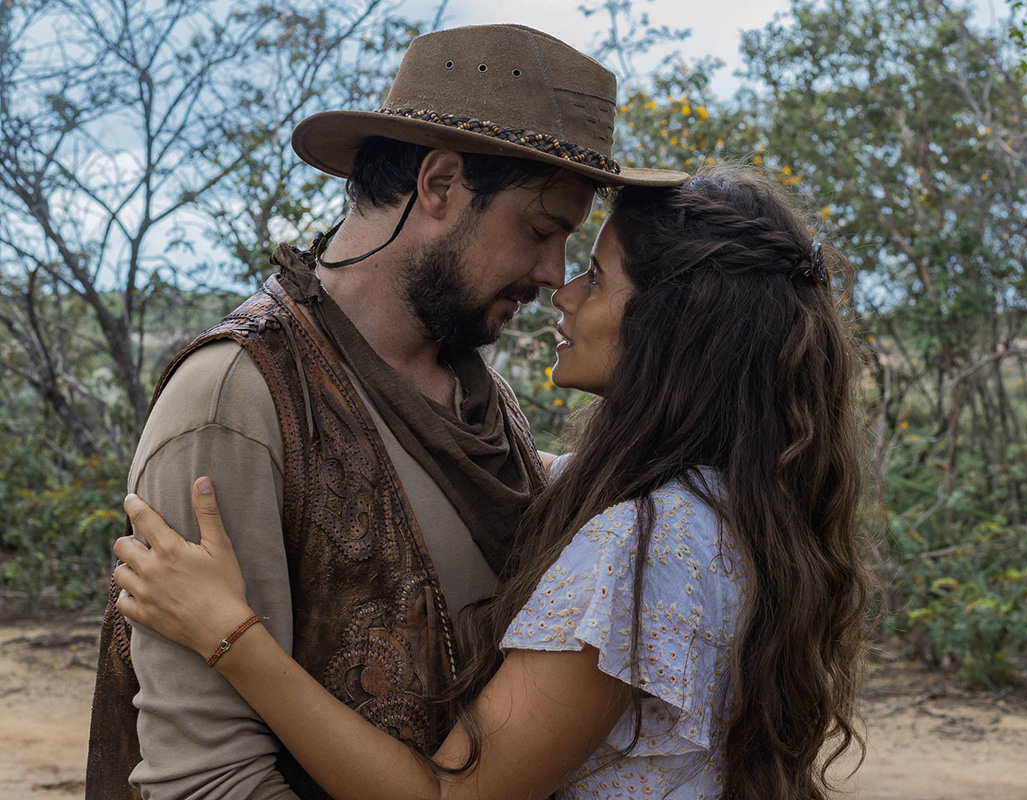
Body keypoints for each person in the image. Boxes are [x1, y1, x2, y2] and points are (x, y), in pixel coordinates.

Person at [112, 165, 871, 800]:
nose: (561, 288)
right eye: (545, 235)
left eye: (595, 276)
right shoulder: (727, 499)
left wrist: (231, 638)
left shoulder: (642, 544)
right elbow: (499, 476)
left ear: (674, 327)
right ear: (434, 185)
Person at [86, 23, 686, 800]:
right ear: (438, 185)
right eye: (541, 231)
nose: (551, 274)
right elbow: (207, 781)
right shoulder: (239, 399)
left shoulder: (484, 398)